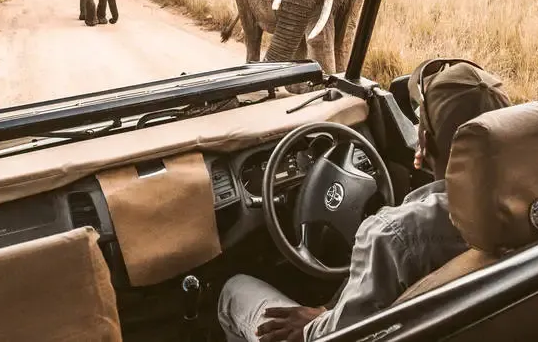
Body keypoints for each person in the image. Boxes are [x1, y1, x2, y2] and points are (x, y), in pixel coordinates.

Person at [218, 60, 511, 342]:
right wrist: (327, 311)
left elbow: (337, 336)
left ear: (424, 143)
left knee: (233, 290)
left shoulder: (395, 234)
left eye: (420, 122)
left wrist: (311, 328)